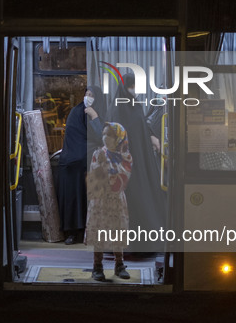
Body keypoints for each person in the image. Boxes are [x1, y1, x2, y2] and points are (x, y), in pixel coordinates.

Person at [107, 73, 166, 246]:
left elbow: (141, 130)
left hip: (141, 161)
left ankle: (145, 243)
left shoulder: (137, 106)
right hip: (123, 164)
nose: (135, 90)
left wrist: (153, 140)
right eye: (132, 86)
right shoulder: (117, 109)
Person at [57, 86, 106, 245]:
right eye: (87, 94)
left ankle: (73, 234)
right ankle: (80, 232)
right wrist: (95, 117)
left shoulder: (76, 111)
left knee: (74, 199)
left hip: (71, 163)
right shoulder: (84, 112)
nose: (88, 97)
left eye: (92, 95)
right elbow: (101, 138)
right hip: (80, 163)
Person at [85, 122, 133, 281]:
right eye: (104, 134)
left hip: (116, 200)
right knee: (99, 231)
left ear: (119, 137)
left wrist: (107, 171)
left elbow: (123, 176)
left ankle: (119, 265)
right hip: (100, 200)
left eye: (110, 135)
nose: (106, 138)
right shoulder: (97, 153)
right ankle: (97, 266)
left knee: (117, 231)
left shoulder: (125, 156)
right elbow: (95, 175)